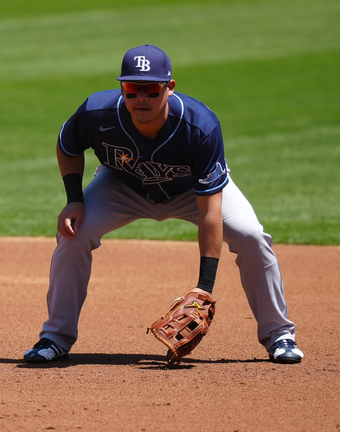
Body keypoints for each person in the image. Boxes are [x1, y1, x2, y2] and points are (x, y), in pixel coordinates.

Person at [23, 45, 304, 364]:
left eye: (151, 89)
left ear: (169, 88)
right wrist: (74, 200)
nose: (141, 97)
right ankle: (55, 338)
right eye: (132, 89)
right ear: (122, 89)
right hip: (121, 186)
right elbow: (67, 146)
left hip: (190, 193)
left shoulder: (200, 125)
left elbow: (211, 211)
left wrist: (203, 289)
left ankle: (279, 334)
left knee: (252, 237)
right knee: (74, 234)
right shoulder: (96, 113)